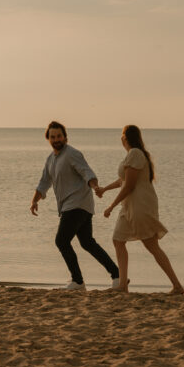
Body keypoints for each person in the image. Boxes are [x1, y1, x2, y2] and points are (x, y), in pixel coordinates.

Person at [30, 121, 121, 291]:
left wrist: (95, 187)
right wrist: (34, 200)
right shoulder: (50, 160)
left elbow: (87, 171)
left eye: (59, 136)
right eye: (53, 137)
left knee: (61, 241)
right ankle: (117, 276)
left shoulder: (72, 154)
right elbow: (44, 182)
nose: (56, 139)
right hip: (77, 206)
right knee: (87, 243)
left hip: (77, 204)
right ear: (48, 138)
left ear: (65, 137)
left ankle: (78, 281)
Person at [95, 125, 184, 294]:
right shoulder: (132, 155)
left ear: (125, 138)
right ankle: (122, 285)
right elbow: (122, 180)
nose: (121, 139)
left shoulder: (135, 153)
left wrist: (111, 206)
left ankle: (177, 286)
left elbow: (129, 185)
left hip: (140, 206)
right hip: (128, 206)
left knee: (151, 245)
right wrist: (104, 189)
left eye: (122, 136)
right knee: (118, 240)